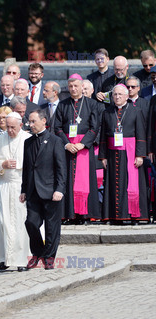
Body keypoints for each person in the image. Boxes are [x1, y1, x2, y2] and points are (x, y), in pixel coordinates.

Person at [20, 109, 66, 270]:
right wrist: (23, 189)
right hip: (33, 191)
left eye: (33, 121)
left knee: (52, 227)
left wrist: (59, 189)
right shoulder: (28, 142)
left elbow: (61, 167)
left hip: (51, 191)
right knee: (31, 223)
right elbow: (26, 169)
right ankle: (38, 252)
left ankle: (49, 257)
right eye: (29, 122)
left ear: (43, 121)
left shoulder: (55, 141)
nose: (30, 125)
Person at [0, 112, 31, 272]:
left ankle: (22, 260)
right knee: (2, 222)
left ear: (20, 125)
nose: (10, 130)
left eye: (13, 127)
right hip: (4, 186)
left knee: (21, 223)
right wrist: (2, 164)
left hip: (21, 186)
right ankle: (5, 258)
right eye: (8, 127)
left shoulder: (28, 139)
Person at [54, 74, 100, 224]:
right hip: (68, 148)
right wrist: (67, 144)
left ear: (81, 87)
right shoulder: (63, 104)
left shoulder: (92, 104)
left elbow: (94, 128)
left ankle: (84, 215)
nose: (73, 89)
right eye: (71, 86)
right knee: (67, 180)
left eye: (76, 86)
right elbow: (57, 127)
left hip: (83, 148)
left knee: (84, 181)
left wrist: (83, 144)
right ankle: (69, 214)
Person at [99, 84, 148, 224]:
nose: (117, 97)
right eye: (115, 94)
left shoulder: (136, 111)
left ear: (127, 96)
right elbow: (103, 136)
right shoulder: (107, 112)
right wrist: (102, 156)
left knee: (130, 185)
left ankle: (133, 216)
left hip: (130, 153)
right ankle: (113, 216)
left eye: (120, 94)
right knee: (113, 185)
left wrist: (140, 155)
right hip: (112, 153)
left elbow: (141, 134)